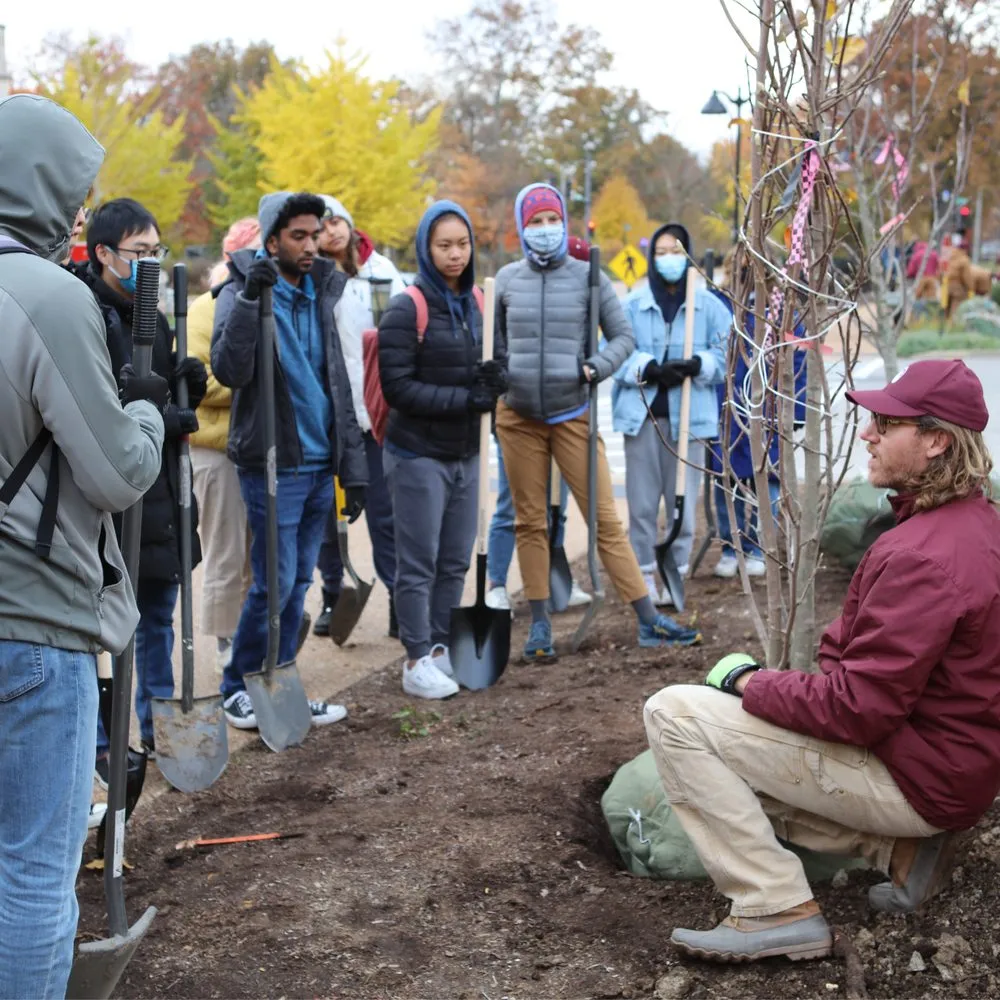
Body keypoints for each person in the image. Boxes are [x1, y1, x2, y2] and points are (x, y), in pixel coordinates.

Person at [643, 359, 1000, 963]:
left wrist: (749, 681)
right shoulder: (978, 525)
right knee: (740, 760)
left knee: (674, 716)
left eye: (887, 423)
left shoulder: (922, 557)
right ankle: (903, 853)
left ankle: (774, 906)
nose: (868, 433)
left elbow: (857, 709)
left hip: (924, 779)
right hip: (955, 766)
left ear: (936, 441)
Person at [0, 93, 166, 999]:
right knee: (33, 869)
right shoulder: (48, 296)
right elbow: (114, 472)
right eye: (74, 191)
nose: (79, 211)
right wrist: (145, 411)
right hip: (31, 620)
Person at [495, 183, 700, 661]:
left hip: (573, 414)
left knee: (604, 520)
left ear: (564, 222)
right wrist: (498, 377)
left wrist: (596, 367)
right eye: (535, 222)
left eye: (552, 219)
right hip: (518, 417)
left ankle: (648, 619)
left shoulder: (588, 277)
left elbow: (623, 337)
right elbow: (495, 346)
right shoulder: (506, 280)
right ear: (522, 227)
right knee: (530, 521)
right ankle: (540, 625)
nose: (545, 229)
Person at [212, 192, 367, 730]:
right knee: (273, 584)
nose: (310, 245)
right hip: (272, 462)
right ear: (271, 240)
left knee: (299, 583)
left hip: (319, 461)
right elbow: (229, 369)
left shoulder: (325, 289)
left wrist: (354, 468)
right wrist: (251, 299)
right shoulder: (240, 289)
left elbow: (340, 383)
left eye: (314, 234)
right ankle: (237, 687)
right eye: (297, 236)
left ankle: (279, 684)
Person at [79, 197, 208, 769]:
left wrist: (186, 390)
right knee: (105, 631)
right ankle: (104, 743)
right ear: (103, 254)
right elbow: (103, 406)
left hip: (162, 494)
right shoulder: (88, 313)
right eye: (139, 252)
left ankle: (160, 727)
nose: (151, 263)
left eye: (157, 251)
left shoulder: (152, 314)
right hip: (114, 495)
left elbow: (161, 388)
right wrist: (165, 417)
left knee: (157, 617)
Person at [378, 200, 501, 699]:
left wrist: (497, 379)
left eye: (463, 244)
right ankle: (415, 658)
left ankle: (440, 645)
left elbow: (496, 358)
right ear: (426, 248)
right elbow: (397, 388)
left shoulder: (480, 302)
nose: (455, 254)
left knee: (454, 560)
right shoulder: (407, 308)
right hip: (418, 455)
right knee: (418, 563)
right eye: (444, 245)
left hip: (467, 453)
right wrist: (465, 399)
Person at [613, 223, 731, 605]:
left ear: (688, 256)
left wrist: (700, 364)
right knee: (642, 505)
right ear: (652, 257)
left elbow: (728, 354)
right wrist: (647, 368)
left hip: (690, 421)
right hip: (644, 418)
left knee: (682, 503)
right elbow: (613, 352)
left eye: (677, 251)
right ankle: (644, 574)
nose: (669, 259)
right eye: (662, 252)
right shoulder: (632, 304)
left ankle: (674, 572)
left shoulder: (708, 306)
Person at [486, 234, 594, 614]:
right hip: (519, 414)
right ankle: (496, 583)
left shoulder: (582, 299)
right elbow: (498, 346)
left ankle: (550, 576)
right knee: (511, 504)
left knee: (556, 505)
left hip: (564, 413)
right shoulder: (518, 289)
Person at [313, 195, 403, 637]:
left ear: (349, 224)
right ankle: (334, 592)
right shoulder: (312, 278)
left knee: (388, 516)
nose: (330, 231)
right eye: (321, 226)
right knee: (330, 519)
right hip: (333, 419)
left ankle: (399, 599)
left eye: (336, 221)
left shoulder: (382, 273)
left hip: (379, 418)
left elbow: (402, 338)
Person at [188, 217, 261, 673]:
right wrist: (258, 387)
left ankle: (250, 640)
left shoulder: (267, 302)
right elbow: (199, 380)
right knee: (226, 553)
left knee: (257, 557)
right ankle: (225, 644)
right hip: (216, 450)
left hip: (255, 447)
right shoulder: (207, 307)